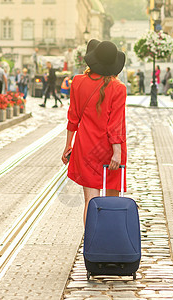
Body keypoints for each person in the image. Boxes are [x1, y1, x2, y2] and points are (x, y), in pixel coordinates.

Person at [61, 39, 127, 225]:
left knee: (90, 201)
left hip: (86, 146)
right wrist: (117, 152)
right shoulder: (118, 88)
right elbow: (115, 124)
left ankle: (91, 243)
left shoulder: (78, 82)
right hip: (109, 147)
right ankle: (108, 244)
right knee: (112, 200)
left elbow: (73, 117)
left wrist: (68, 145)